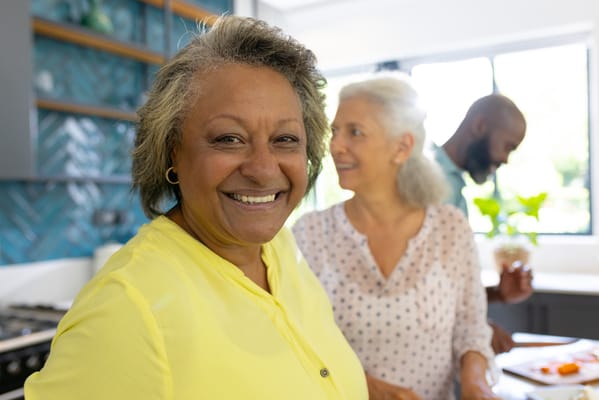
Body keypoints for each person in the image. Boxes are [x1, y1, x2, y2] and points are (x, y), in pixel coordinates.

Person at [24, 15, 368, 400]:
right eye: (229, 138)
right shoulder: (129, 308)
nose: (263, 169)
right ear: (172, 152)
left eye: (285, 138)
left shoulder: (280, 250)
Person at [293, 76, 499, 400]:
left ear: (402, 147)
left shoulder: (450, 228)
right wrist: (362, 384)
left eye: (355, 132)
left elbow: (471, 330)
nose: (336, 145)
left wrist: (477, 385)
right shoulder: (310, 234)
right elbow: (296, 340)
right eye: (335, 131)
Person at [432, 94, 533, 353]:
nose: (506, 159)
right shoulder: (429, 182)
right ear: (479, 126)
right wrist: (479, 328)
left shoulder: (453, 185)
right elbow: (420, 289)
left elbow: (445, 288)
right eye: (508, 146)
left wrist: (498, 293)